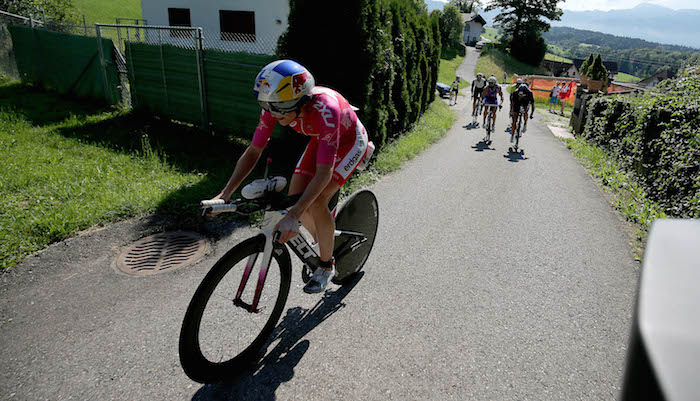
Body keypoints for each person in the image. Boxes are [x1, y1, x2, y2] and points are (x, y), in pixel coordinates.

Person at [209, 60, 369, 294]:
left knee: (315, 201)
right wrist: (225, 194)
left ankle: (326, 266)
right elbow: (254, 151)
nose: (271, 113)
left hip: (349, 141)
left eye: (278, 107)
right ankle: (326, 236)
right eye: (267, 105)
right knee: (297, 197)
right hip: (320, 138)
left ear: (300, 101)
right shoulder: (276, 107)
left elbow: (324, 173)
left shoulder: (326, 111)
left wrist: (294, 216)